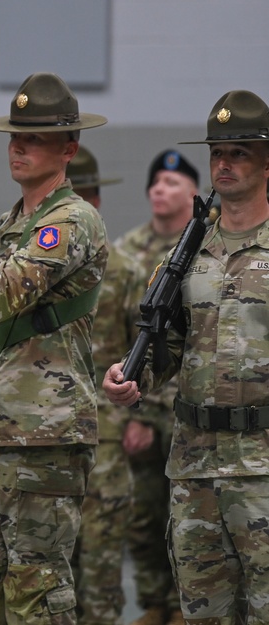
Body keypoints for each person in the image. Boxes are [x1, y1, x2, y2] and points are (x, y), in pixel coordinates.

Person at [0, 72, 109, 625]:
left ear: (69, 147)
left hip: (42, 430)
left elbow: (9, 290)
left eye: (34, 138)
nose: (18, 146)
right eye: (15, 136)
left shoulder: (73, 219)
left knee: (37, 581)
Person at [103, 89, 269, 624]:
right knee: (202, 613)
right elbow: (167, 344)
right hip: (195, 466)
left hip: (263, 466)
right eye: (217, 151)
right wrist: (134, 377)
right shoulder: (188, 250)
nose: (224, 162)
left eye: (239, 151)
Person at [115, 147, 200, 625]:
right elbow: (130, 342)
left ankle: (186, 607)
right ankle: (155, 605)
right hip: (146, 405)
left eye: (171, 183)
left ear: (193, 192)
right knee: (146, 517)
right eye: (154, 183)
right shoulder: (128, 254)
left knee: (193, 522)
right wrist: (137, 413)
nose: (158, 190)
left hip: (193, 410)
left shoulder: (205, 252)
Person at [67, 146, 147, 625]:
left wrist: (144, 417)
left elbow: (152, 352)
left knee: (99, 564)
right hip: (53, 431)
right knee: (52, 566)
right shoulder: (36, 268)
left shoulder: (126, 272)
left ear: (95, 200)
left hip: (109, 433)